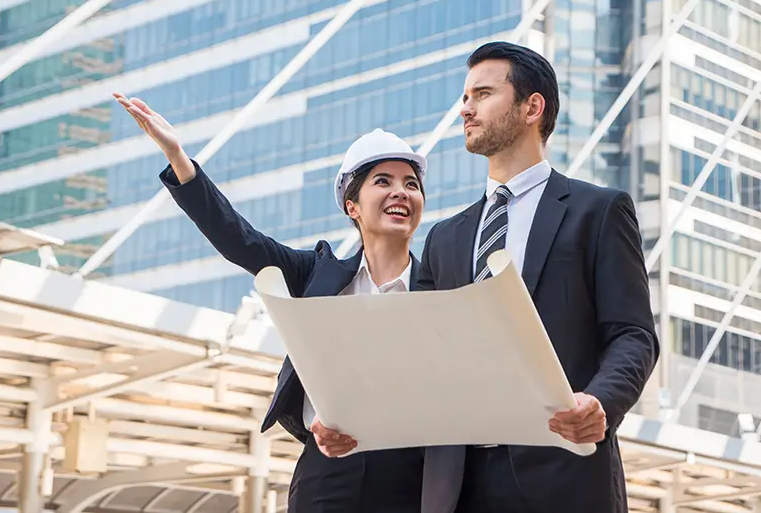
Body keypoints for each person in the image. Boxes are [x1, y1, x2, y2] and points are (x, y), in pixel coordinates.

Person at [114, 92, 427, 513]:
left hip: (411, 476)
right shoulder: (316, 273)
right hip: (328, 474)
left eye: (411, 184)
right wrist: (178, 157)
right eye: (383, 181)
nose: (401, 193)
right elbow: (238, 238)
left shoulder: (440, 285)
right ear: (352, 206)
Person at [417, 42, 659, 513]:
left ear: (532, 107)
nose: (465, 108)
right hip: (456, 487)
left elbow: (633, 335)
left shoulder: (599, 212)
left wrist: (601, 403)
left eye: (482, 94)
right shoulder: (443, 239)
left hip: (563, 476)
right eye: (465, 96)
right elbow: (422, 356)